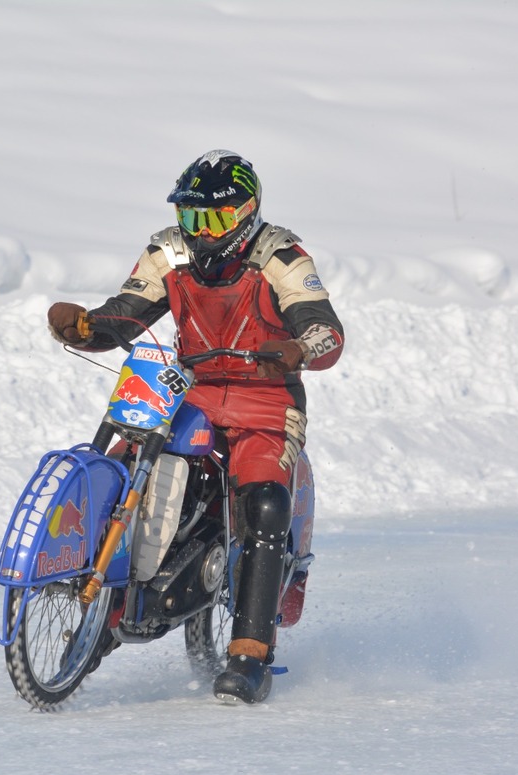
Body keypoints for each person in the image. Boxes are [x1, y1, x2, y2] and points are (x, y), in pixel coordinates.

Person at [47, 150, 344, 703]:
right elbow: (127, 311)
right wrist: (87, 328)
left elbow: (327, 331)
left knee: (265, 505)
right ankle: (110, 610)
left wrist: (297, 347)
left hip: (267, 400)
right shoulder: (168, 251)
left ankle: (250, 653)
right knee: (132, 468)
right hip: (195, 394)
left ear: (247, 213)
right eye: (192, 219)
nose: (202, 234)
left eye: (214, 220)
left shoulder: (281, 254)